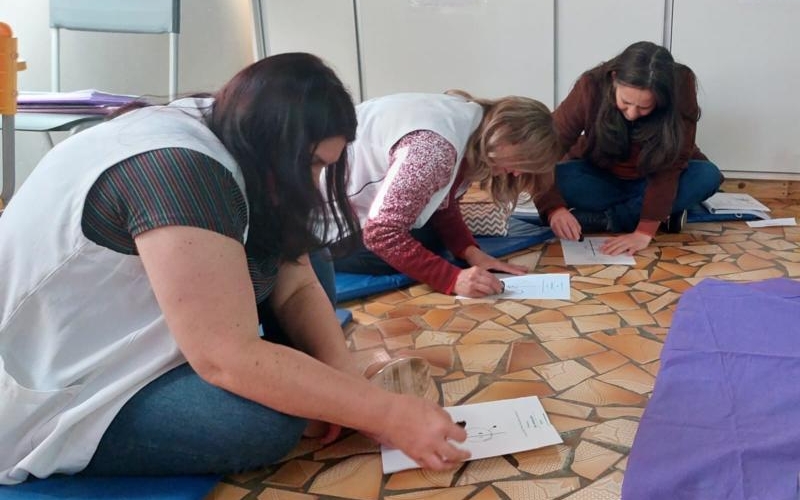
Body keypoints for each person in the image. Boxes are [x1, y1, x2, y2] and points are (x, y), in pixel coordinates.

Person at [0, 53, 471, 485]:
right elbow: (224, 356)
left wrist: (344, 380)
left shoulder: (232, 129)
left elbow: (297, 280)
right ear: (273, 139)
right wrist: (385, 414)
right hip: (60, 378)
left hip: (142, 323)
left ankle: (299, 379)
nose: (313, 180)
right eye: (310, 164)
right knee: (264, 425)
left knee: (316, 261)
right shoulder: (181, 172)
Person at [327, 91, 563, 298]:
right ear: (505, 133)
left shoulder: (472, 123)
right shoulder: (435, 149)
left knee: (431, 238)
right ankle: (318, 255)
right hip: (321, 221)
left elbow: (442, 202)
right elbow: (381, 234)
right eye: (521, 160)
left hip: (348, 202)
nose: (516, 172)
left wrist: (472, 253)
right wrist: (452, 279)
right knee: (408, 249)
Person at [534, 40, 724, 256]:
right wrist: (554, 209)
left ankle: (605, 220)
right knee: (557, 177)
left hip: (657, 178)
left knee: (707, 176)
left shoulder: (680, 87)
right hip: (601, 176)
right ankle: (665, 212)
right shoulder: (591, 85)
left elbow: (671, 165)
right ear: (614, 78)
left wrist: (644, 231)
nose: (632, 113)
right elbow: (546, 147)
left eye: (644, 107)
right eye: (625, 102)